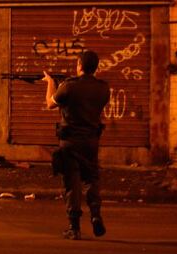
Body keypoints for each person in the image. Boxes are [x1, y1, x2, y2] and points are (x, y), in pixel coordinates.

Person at [42, 51, 110, 240]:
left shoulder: (68, 86)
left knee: (72, 184)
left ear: (79, 65)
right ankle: (96, 215)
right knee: (91, 180)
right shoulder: (103, 88)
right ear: (96, 67)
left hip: (70, 142)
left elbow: (50, 104)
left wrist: (50, 83)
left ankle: (74, 227)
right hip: (91, 142)